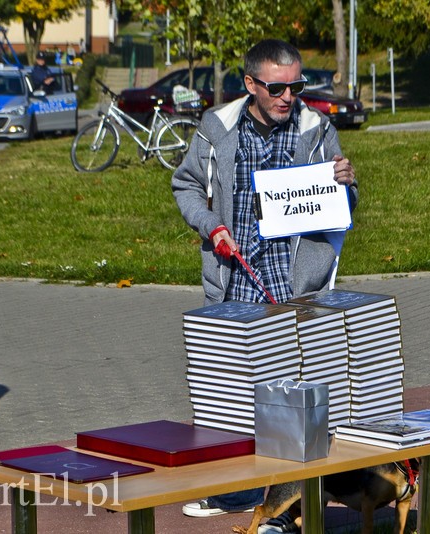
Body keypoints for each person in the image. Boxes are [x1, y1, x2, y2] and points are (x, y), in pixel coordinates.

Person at [171, 39, 358, 532]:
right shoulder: (218, 128)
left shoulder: (318, 129)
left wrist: (346, 181)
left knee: (298, 392)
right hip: (236, 284)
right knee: (232, 392)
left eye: (296, 85)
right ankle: (234, 492)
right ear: (251, 84)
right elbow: (186, 185)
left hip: (297, 286)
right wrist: (211, 225)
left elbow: (346, 200)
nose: (288, 95)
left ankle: (292, 504)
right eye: (277, 87)